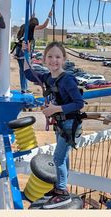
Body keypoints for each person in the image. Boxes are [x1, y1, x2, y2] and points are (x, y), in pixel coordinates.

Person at [24, 41, 84, 208]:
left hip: (69, 125)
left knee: (58, 158)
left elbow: (79, 103)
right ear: (44, 59)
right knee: (63, 157)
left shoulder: (67, 80)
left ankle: (62, 191)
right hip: (61, 125)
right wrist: (25, 54)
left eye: (57, 57)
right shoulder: (49, 77)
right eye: (50, 57)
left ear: (63, 59)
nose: (53, 60)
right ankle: (59, 187)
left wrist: (55, 109)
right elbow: (29, 74)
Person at [14, 10, 52, 93]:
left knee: (22, 70)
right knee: (26, 71)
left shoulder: (24, 26)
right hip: (24, 50)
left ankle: (23, 88)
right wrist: (49, 16)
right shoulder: (31, 26)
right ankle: (24, 89)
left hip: (18, 49)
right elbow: (44, 26)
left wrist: (32, 17)